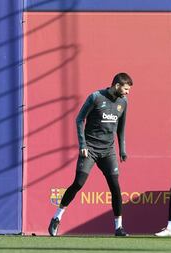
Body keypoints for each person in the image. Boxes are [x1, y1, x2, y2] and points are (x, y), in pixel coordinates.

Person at [48, 73, 133, 237]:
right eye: (126, 89)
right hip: (90, 149)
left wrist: (122, 150)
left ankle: (119, 227)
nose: (128, 92)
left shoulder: (123, 102)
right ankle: (56, 217)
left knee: (115, 187)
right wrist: (83, 145)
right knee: (78, 183)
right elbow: (79, 120)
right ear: (117, 85)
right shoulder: (96, 97)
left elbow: (121, 128)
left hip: (108, 151)